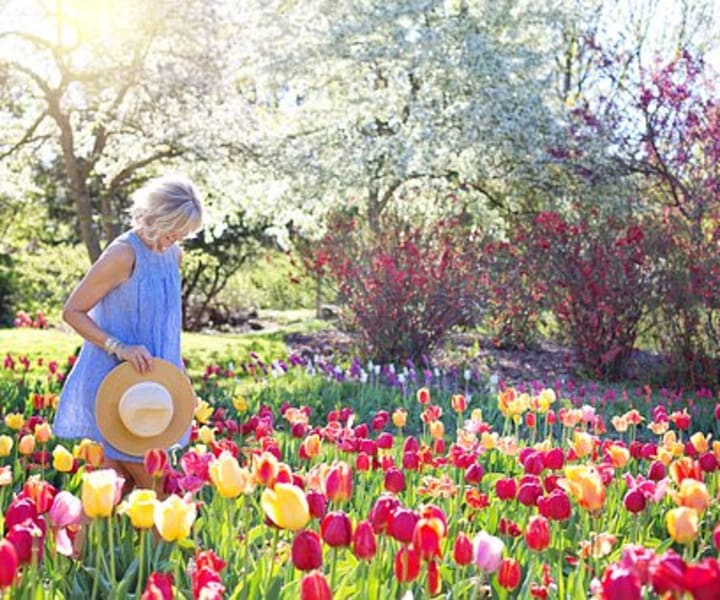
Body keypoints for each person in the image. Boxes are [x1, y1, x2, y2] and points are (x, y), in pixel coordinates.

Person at [54, 175, 203, 494]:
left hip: (154, 388)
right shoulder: (123, 254)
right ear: (153, 216)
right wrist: (119, 347)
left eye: (181, 235)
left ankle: (56, 543)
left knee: (113, 491)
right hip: (120, 387)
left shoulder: (173, 255)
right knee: (160, 493)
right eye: (170, 231)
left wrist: (175, 375)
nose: (172, 241)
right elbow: (72, 311)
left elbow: (164, 325)